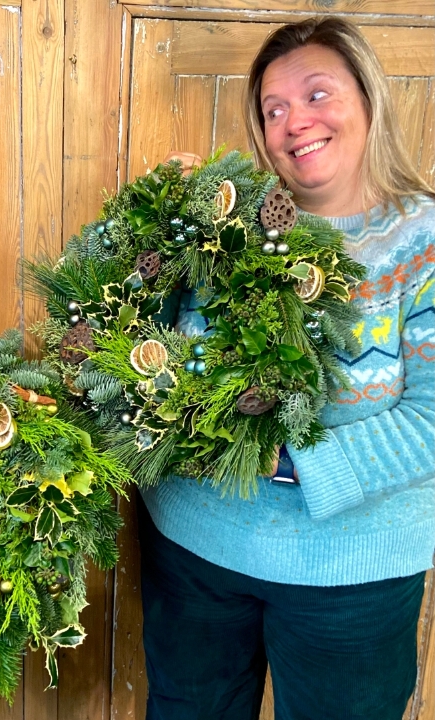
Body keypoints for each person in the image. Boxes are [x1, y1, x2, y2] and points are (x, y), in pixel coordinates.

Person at [140, 17, 435, 720]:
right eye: (272, 110)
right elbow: (139, 345)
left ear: (367, 97)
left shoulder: (421, 241)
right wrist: (150, 227)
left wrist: (284, 461)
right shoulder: (221, 227)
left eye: (316, 94)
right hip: (193, 550)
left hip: (351, 575)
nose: (293, 121)